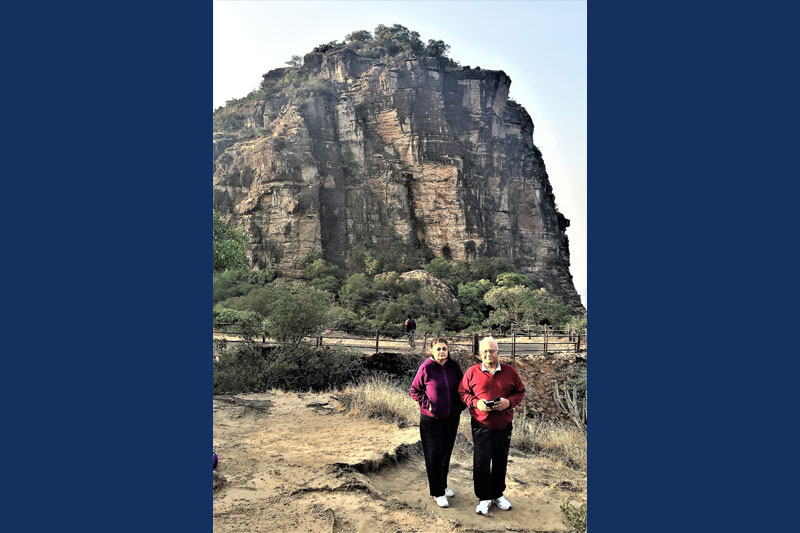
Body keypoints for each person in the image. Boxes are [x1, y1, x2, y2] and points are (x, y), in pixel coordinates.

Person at [458, 336, 526, 515]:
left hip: (503, 425)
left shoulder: (510, 372)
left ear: (498, 353)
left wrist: (508, 402)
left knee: (500, 460)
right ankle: (484, 498)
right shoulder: (472, 372)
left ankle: (497, 494)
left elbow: (520, 392)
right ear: (480, 354)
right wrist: (475, 403)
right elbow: (463, 392)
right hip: (481, 425)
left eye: (492, 351)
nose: (489, 355)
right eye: (485, 352)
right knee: (481, 462)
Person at [409, 338, 465, 508]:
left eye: (444, 348)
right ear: (432, 351)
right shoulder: (426, 367)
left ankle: (443, 485)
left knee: (446, 452)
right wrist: (429, 405)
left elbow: (463, 388)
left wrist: (460, 406)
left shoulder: (454, 366)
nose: (442, 351)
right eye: (438, 349)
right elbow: (414, 390)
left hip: (451, 418)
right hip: (431, 420)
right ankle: (437, 492)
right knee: (434, 455)